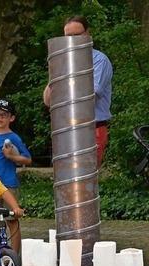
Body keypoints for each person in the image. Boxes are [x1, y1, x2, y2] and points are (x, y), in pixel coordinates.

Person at [43, 15, 112, 167]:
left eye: (77, 35)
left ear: (88, 34)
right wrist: (55, 72)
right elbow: (48, 100)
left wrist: (63, 86)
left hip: (91, 129)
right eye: (68, 36)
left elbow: (89, 95)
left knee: (87, 179)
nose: (72, 40)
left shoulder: (99, 60)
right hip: (65, 129)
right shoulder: (62, 61)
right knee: (67, 180)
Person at [0, 99, 31, 254]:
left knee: (12, 221)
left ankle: (15, 256)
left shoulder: (14, 137)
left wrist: (12, 157)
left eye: (4, 115)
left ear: (11, 118)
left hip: (8, 184)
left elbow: (27, 158)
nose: (0, 118)